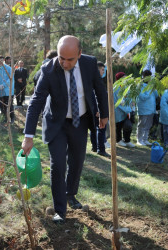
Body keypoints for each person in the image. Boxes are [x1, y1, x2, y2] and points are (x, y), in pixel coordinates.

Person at [22, 35, 109, 224]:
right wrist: (28, 136)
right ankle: (60, 210)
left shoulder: (89, 63)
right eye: (61, 58)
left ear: (79, 53)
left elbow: (100, 89)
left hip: (80, 121)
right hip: (57, 123)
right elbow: (36, 102)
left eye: (70, 59)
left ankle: (71, 194)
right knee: (58, 164)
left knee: (77, 161)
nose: (65, 63)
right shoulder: (48, 69)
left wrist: (104, 114)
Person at [90, 61, 110, 156]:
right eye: (102, 70)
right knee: (101, 128)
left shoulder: (93, 79)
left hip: (94, 109)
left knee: (94, 129)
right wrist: (98, 110)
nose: (103, 72)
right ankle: (100, 149)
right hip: (97, 110)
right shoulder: (95, 81)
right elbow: (95, 96)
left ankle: (95, 147)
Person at [136, 70, 158, 146]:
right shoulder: (140, 85)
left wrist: (154, 89)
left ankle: (145, 139)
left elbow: (156, 95)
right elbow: (143, 97)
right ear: (144, 77)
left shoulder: (151, 86)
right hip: (143, 109)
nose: (149, 79)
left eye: (150, 77)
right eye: (147, 77)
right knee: (142, 124)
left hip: (151, 109)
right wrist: (150, 91)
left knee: (148, 125)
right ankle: (139, 140)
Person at [114, 72, 135, 147]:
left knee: (128, 125)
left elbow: (130, 99)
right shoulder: (116, 88)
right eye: (124, 78)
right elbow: (119, 102)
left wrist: (132, 109)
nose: (126, 80)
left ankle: (127, 140)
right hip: (119, 110)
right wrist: (128, 110)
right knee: (118, 126)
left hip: (127, 110)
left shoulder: (126, 87)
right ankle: (118, 140)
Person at [0, 55, 14, 122]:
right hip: (1, 91)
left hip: (8, 90)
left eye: (1, 60)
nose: (0, 62)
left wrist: (3, 85)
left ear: (4, 60)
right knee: (2, 105)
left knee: (9, 105)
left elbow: (10, 79)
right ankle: (4, 118)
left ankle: (11, 118)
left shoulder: (9, 69)